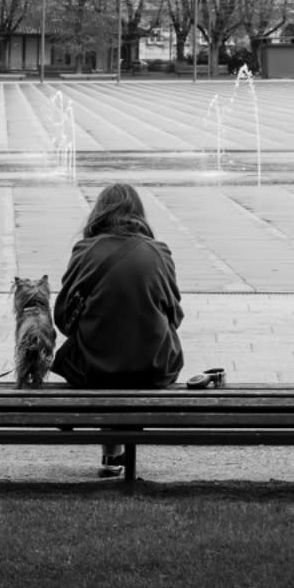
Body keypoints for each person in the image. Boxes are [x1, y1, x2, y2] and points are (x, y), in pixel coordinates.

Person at [52, 182, 184, 476]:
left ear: (99, 214)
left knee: (105, 352)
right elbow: (174, 315)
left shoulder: (85, 251)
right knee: (135, 352)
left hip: (93, 371)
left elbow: (62, 319)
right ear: (139, 214)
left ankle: (112, 453)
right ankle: (120, 451)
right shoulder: (159, 253)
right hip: (152, 369)